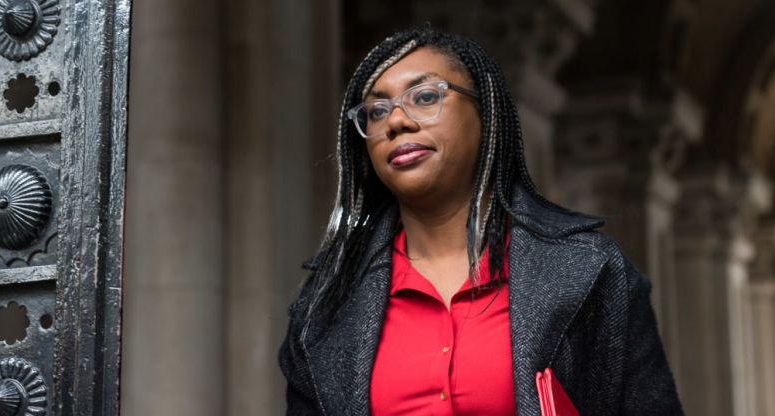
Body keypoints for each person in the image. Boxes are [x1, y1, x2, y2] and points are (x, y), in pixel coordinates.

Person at [279, 27, 683, 416]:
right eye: (377, 110)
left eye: (423, 96)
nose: (395, 122)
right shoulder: (327, 301)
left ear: (484, 112)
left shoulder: (589, 271)